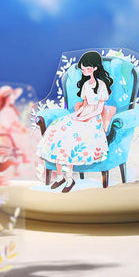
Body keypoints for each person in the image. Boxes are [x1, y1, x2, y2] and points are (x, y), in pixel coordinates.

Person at [37, 51, 113, 193]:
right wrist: (76, 115)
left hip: (94, 119)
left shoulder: (101, 85)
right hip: (84, 113)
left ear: (95, 68)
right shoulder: (86, 85)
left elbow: (99, 109)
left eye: (87, 68)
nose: (84, 71)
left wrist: (84, 118)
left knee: (71, 137)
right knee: (59, 126)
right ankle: (60, 176)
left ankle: (69, 179)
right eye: (83, 68)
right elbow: (84, 105)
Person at [0, 85, 43, 179]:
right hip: (9, 136)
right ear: (6, 98)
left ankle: (40, 159)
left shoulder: (11, 110)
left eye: (13, 97)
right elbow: (7, 126)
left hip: (16, 132)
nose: (13, 99)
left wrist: (21, 127)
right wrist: (18, 128)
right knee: (27, 139)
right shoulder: (3, 111)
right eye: (11, 97)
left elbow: (17, 123)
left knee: (34, 133)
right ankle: (32, 159)